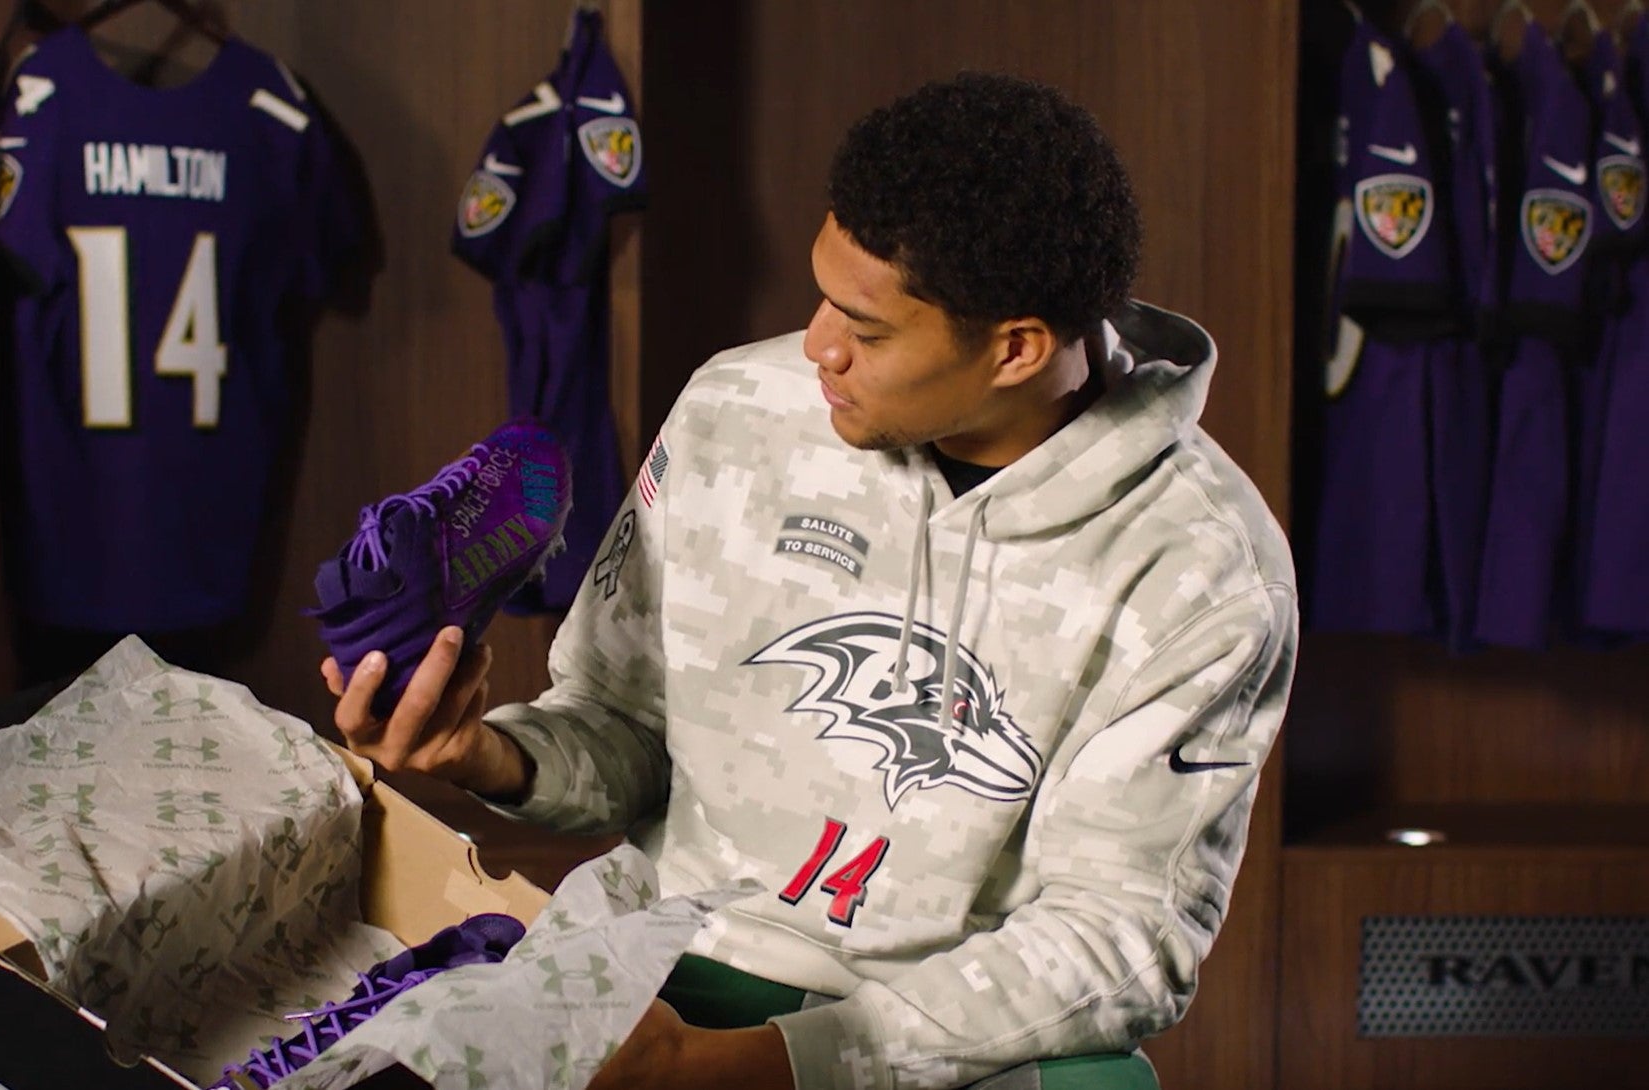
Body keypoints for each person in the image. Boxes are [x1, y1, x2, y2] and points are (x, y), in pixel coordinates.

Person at [323, 71, 1297, 1090]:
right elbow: (621, 734)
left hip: (943, 1029)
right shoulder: (738, 405)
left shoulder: (1202, 565)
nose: (816, 348)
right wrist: (483, 755)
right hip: (670, 953)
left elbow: (1119, 937)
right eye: (820, 296)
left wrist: (763, 1066)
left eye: (866, 330)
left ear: (1014, 350)